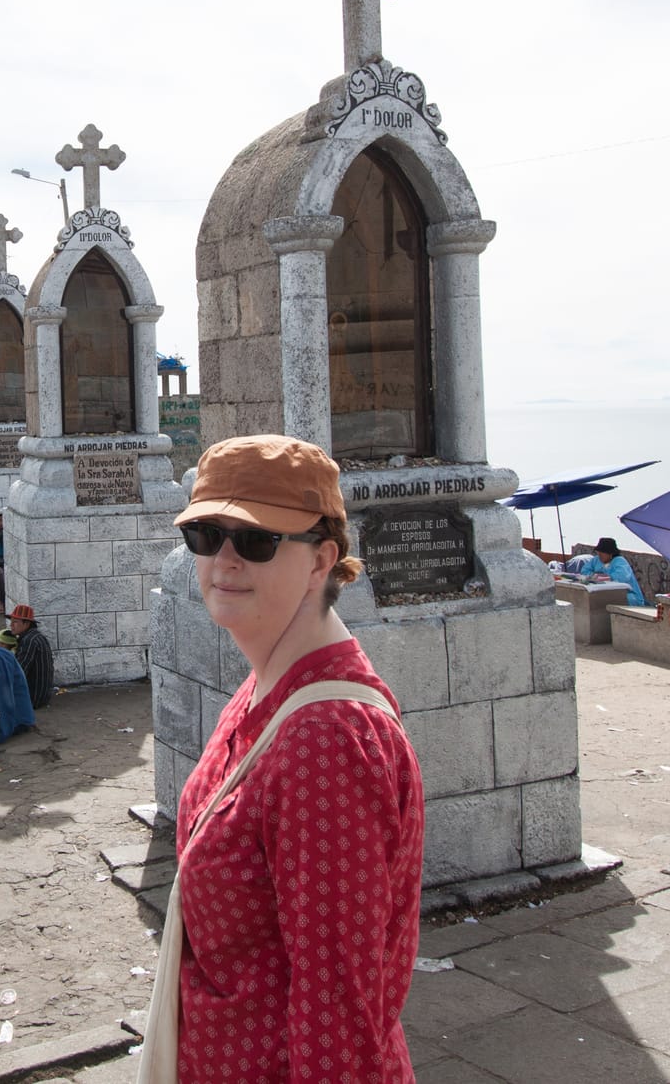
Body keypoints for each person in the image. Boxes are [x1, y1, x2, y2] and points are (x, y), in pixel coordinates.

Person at [150, 434, 425, 1080]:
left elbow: (338, 1018)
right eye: (206, 534)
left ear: (321, 559)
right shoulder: (270, 684)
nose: (225, 559)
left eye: (256, 539)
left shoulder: (324, 742)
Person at [0, 603, 55, 709]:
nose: (11, 625)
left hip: (33, 698)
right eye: (11, 622)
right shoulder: (35, 637)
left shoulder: (29, 641)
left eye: (15, 622)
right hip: (41, 695)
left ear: (26, 623)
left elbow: (19, 671)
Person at [590, 536, 646, 607]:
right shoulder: (596, 560)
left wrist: (604, 577)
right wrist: (593, 576)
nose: (600, 555)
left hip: (630, 596)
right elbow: (585, 571)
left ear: (610, 553)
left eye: (602, 552)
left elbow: (621, 577)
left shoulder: (620, 561)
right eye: (599, 552)